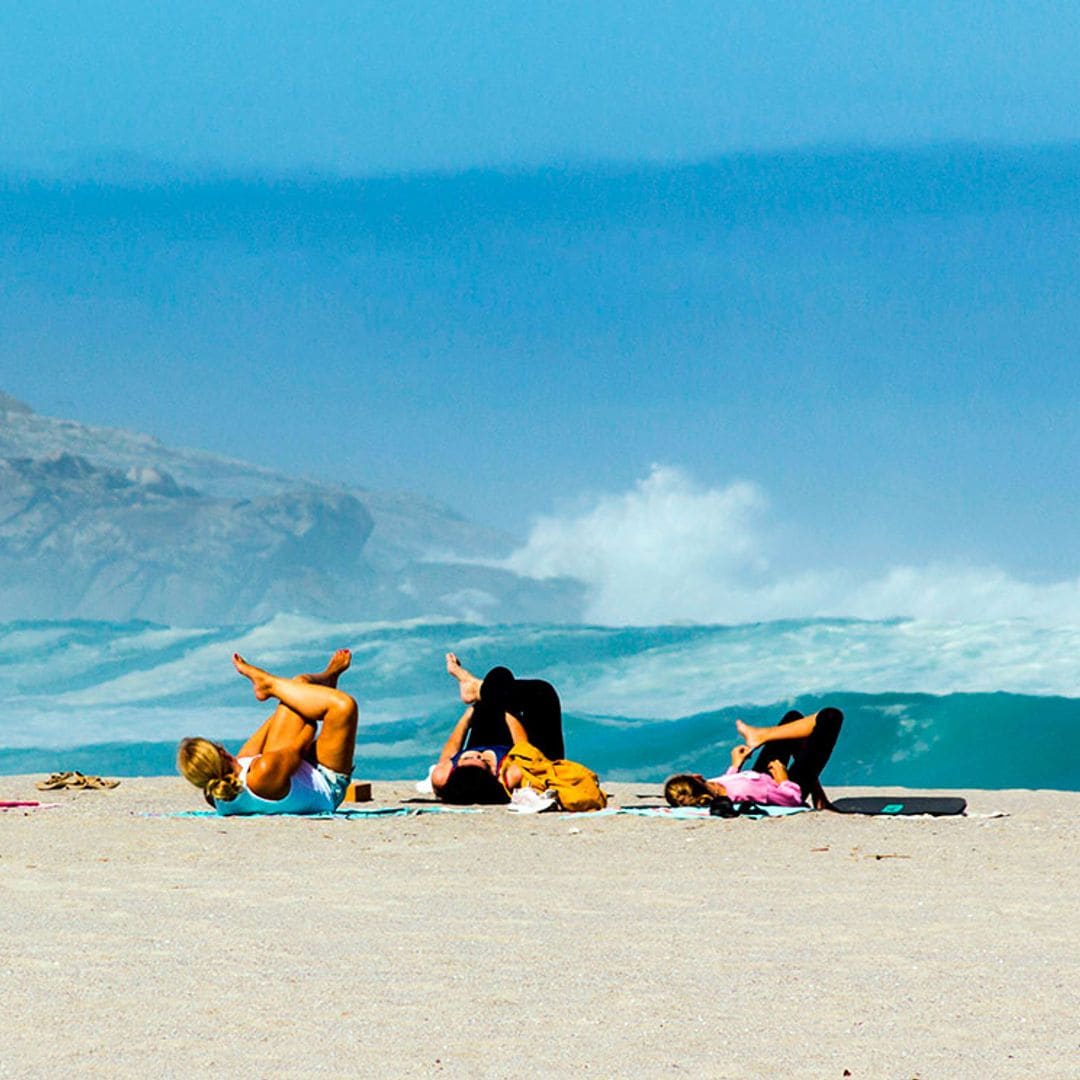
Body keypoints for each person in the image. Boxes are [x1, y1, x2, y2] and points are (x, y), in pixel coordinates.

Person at [177, 650, 359, 815]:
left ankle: (304, 682)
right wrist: (305, 707)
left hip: (289, 770)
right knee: (343, 707)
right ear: (220, 751)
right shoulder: (263, 772)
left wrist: (292, 699)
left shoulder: (217, 795)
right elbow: (306, 734)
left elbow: (273, 722)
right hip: (325, 782)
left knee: (298, 686)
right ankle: (273, 684)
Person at [431, 652, 565, 803]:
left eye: (467, 757)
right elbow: (524, 749)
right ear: (494, 773)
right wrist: (508, 712)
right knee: (542, 693)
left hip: (495, 744)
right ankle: (477, 689)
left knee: (498, 675)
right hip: (533, 758)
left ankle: (478, 689)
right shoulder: (510, 776)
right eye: (484, 761)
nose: (478, 754)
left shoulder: (442, 776)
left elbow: (448, 756)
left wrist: (467, 717)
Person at [664, 708, 843, 811]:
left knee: (793, 719)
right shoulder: (745, 789)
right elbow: (793, 800)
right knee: (830, 717)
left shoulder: (712, 787)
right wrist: (782, 779)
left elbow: (729, 786)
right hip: (785, 785)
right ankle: (761, 735)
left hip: (761, 778)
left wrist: (736, 765)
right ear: (696, 777)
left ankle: (819, 797)